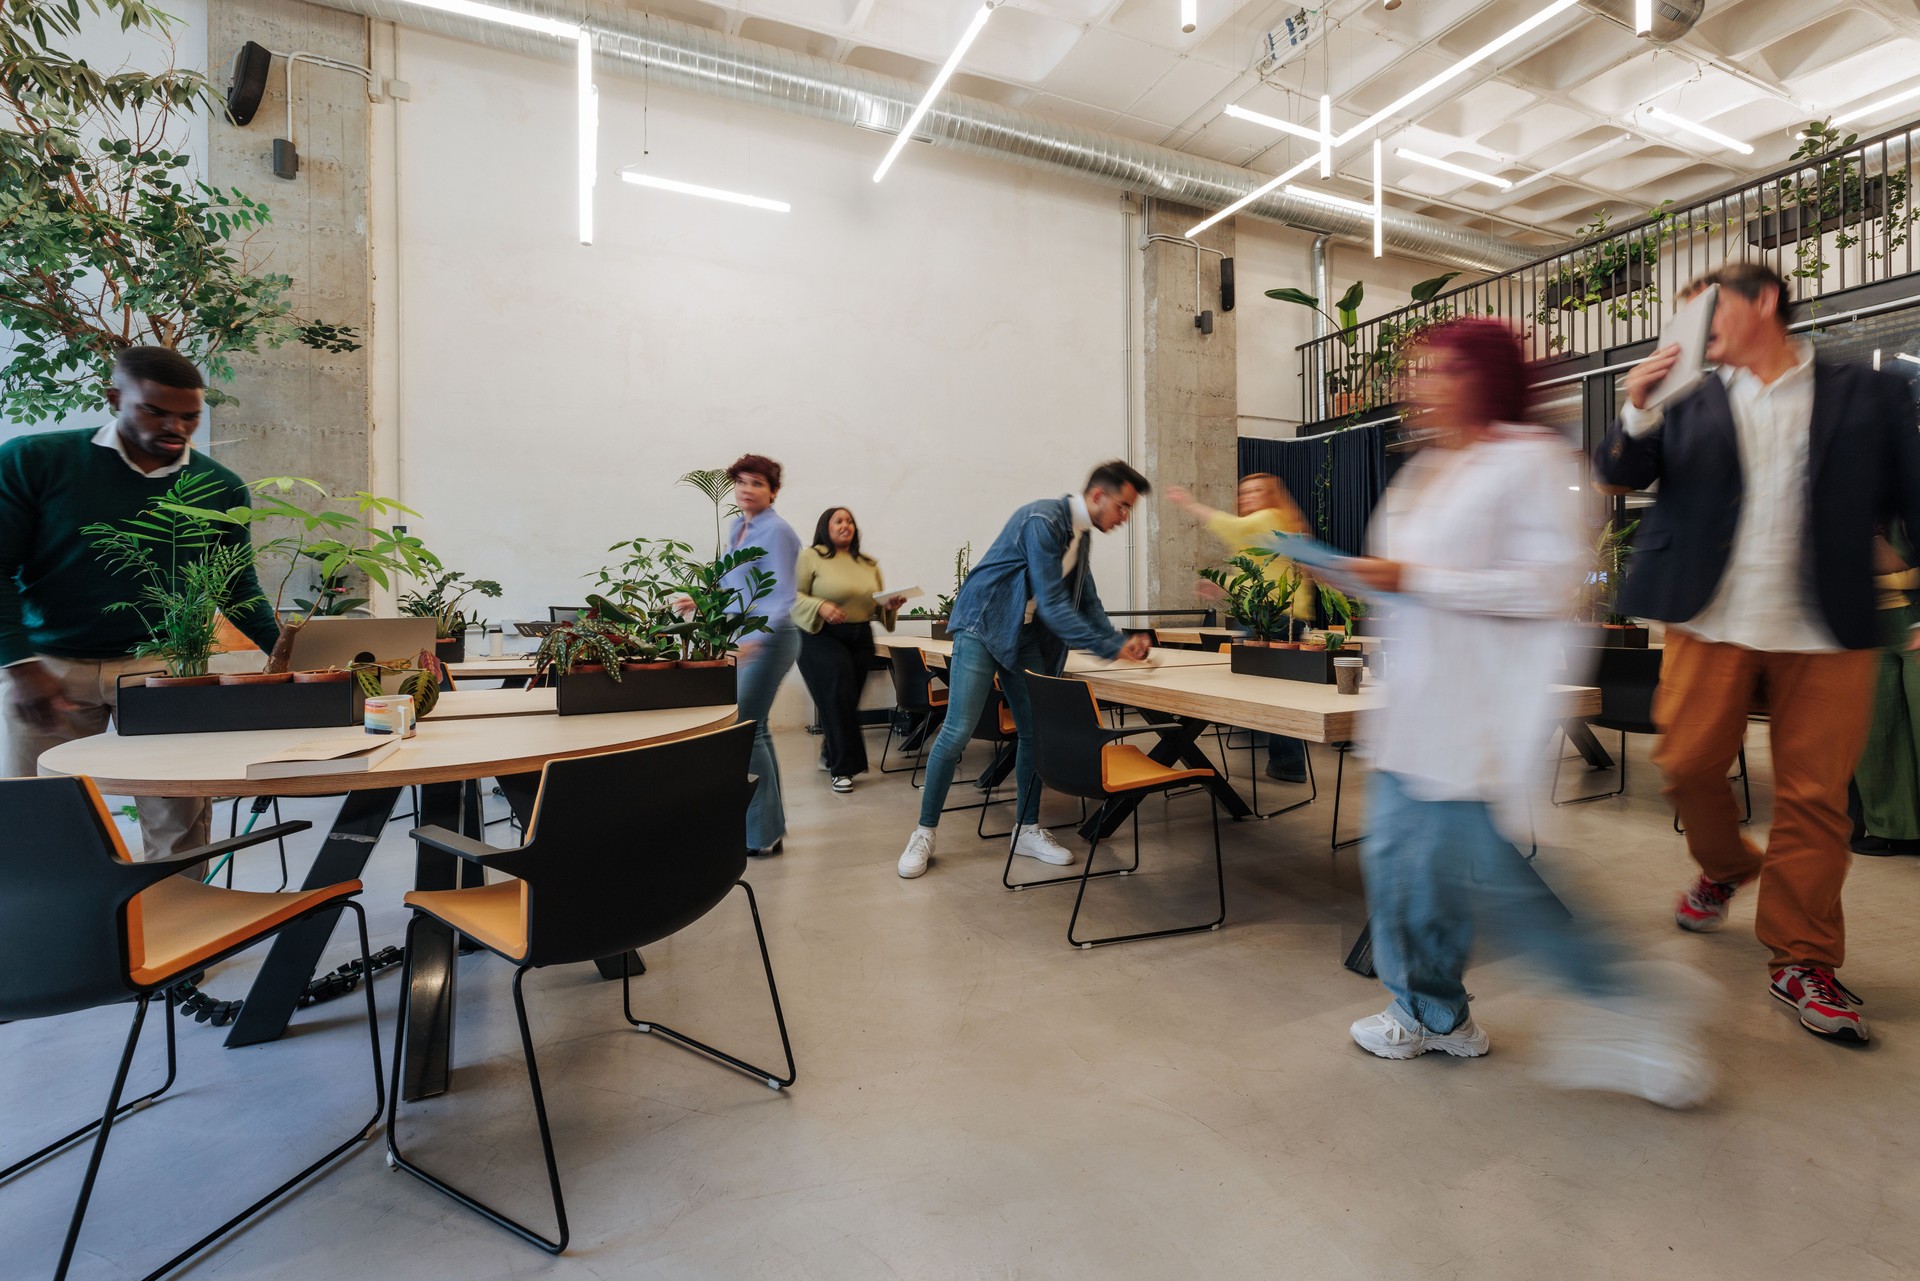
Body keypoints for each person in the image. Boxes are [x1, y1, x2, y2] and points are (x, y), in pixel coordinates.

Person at [1342, 318, 1711, 1107]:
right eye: (1417, 370)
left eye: (1438, 368)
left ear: (1484, 377)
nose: (1418, 384)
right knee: (1402, 871)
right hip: (1411, 712)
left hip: (1472, 715)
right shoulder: (1426, 469)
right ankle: (1433, 1014)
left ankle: (1633, 1002)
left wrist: (1415, 578)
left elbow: (1547, 585)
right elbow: (1400, 582)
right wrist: (1352, 574)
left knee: (1494, 880)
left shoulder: (1531, 461)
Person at [1595, 261, 1920, 1045]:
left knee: (1815, 799)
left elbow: (1914, 492)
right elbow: (1618, 472)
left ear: (1763, 301)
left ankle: (1803, 957)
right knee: (1686, 765)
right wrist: (1637, 406)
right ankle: (1728, 864)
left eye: (1706, 310)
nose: (1693, 331)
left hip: (1827, 627)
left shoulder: (1867, 393)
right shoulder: (1685, 399)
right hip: (1712, 618)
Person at [0, 346, 283, 857]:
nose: (176, 427)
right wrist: (19, 666)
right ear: (114, 399)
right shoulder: (34, 460)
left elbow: (236, 588)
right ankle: (70, 911)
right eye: (155, 411)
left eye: (190, 415)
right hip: (49, 667)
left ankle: (179, 907)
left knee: (179, 822)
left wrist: (290, 657)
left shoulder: (219, 488)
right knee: (43, 818)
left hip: (164, 668)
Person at [894, 461, 1153, 879]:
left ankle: (1026, 829)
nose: (1125, 517)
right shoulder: (1044, 520)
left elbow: (1087, 601)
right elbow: (1053, 604)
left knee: (1035, 732)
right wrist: (1111, 647)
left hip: (1024, 633)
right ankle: (924, 832)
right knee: (957, 730)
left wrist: (1118, 639)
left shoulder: (1081, 535)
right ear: (1098, 496)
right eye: (1123, 507)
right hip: (984, 624)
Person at [1165, 473, 1317, 781]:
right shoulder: (1265, 530)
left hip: (1276, 618)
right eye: (1244, 492)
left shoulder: (1269, 517)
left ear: (1271, 496)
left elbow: (1233, 527)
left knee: (1272, 693)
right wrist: (1222, 587)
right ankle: (1283, 759)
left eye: (1257, 491)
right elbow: (1258, 578)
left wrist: (1191, 505)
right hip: (1270, 615)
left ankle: (1285, 758)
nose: (1248, 497)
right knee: (1273, 691)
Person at [714, 455, 802, 857]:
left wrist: (755, 638)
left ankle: (762, 834)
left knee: (744, 729)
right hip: (744, 635)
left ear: (774, 492)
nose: (747, 489)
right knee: (755, 729)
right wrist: (698, 603)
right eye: (742, 482)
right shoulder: (738, 527)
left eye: (757, 483)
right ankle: (767, 829)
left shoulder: (778, 531)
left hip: (771, 637)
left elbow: (782, 594)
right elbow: (729, 582)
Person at [793, 507, 908, 794]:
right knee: (838, 695)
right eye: (838, 521)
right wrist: (820, 605)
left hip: (860, 636)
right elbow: (792, 595)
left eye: (850, 521)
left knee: (845, 700)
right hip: (820, 635)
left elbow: (875, 604)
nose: (846, 525)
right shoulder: (811, 557)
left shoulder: (868, 564)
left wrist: (889, 606)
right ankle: (843, 768)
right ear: (826, 526)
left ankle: (830, 752)